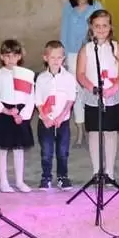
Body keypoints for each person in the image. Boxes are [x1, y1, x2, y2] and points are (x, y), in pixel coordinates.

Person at [75, 10, 119, 183]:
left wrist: (116, 86)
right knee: (94, 133)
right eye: (97, 26)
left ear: (110, 27)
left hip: (112, 95)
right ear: (91, 27)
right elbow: (80, 74)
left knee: (110, 133)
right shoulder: (86, 50)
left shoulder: (116, 48)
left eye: (105, 25)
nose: (101, 29)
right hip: (93, 96)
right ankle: (97, 171)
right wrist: (92, 88)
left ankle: (109, 172)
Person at [60, 0, 103, 148]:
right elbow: (64, 31)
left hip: (91, 53)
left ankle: (94, 129)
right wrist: (62, 55)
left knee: (91, 90)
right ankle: (80, 131)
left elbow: (102, 29)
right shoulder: (68, 8)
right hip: (72, 54)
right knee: (76, 92)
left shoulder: (96, 6)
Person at [0, 39, 36, 193]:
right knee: (2, 149)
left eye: (14, 56)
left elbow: (30, 96)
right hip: (4, 114)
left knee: (18, 149)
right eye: (7, 56)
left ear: (19, 57)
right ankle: (3, 182)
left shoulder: (25, 75)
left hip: (20, 114)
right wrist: (5, 110)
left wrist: (23, 115)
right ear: (2, 57)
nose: (11, 59)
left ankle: (19, 181)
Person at [34, 41, 77, 191]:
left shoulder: (69, 78)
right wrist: (45, 117)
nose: (56, 61)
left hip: (62, 121)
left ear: (63, 58)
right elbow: (38, 100)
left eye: (59, 57)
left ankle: (62, 177)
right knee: (46, 151)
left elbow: (71, 99)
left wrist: (61, 117)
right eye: (52, 57)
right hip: (45, 121)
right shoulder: (41, 78)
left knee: (62, 151)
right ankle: (46, 177)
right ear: (45, 58)